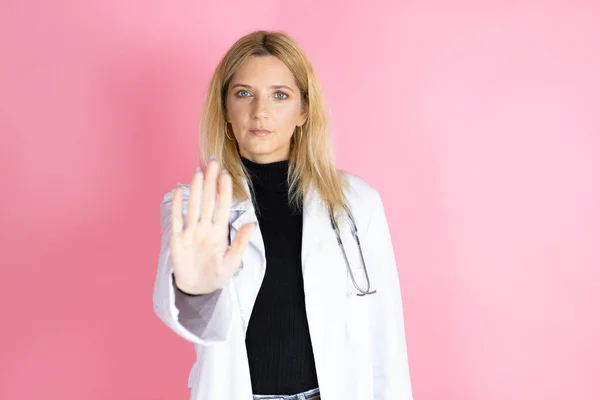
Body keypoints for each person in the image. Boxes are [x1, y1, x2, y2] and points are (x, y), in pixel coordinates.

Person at [152, 30, 413, 400]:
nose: (261, 111)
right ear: (225, 109)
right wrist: (194, 291)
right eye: (243, 94)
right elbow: (190, 319)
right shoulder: (194, 205)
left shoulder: (357, 202)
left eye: (280, 95)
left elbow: (385, 335)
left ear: (304, 110)